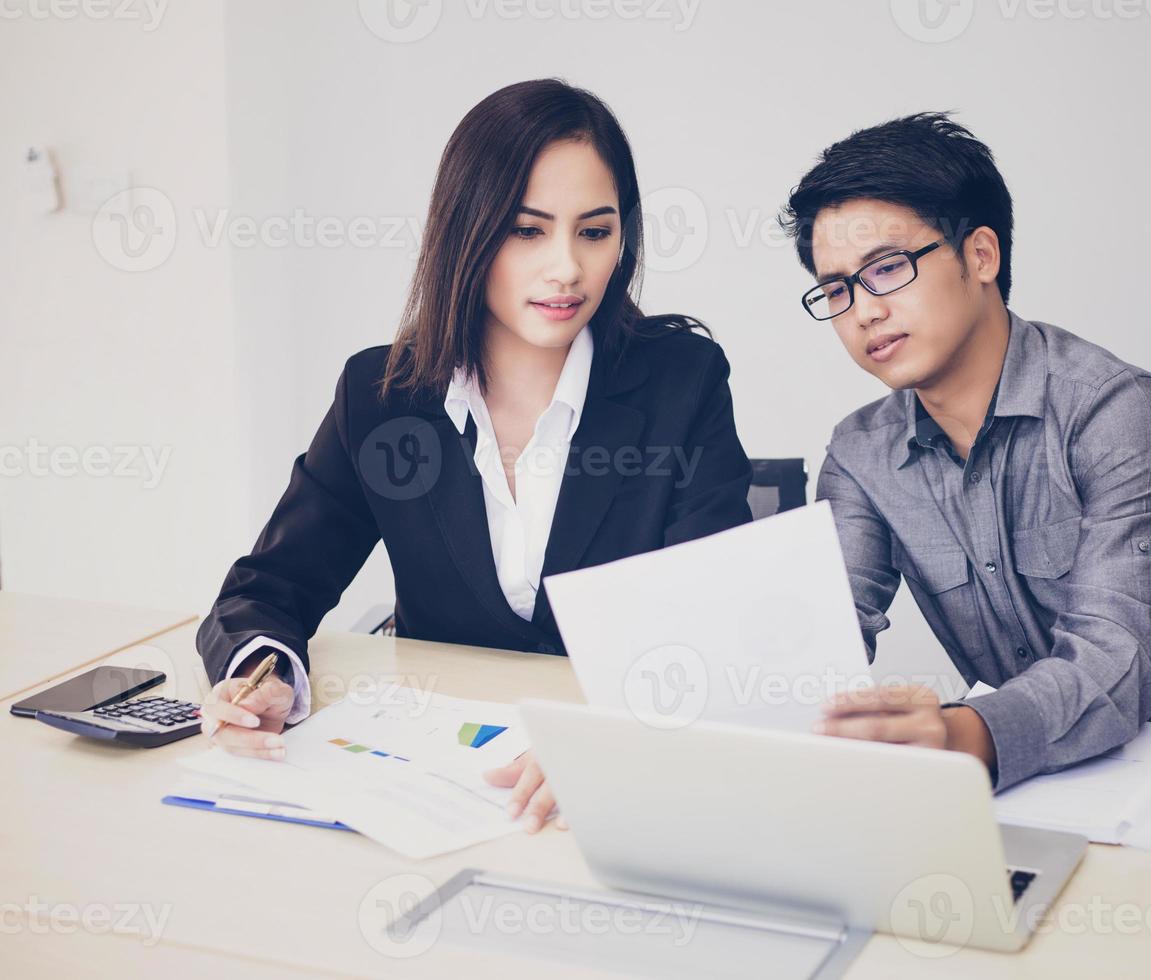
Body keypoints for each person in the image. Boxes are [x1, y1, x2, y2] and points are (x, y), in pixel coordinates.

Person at [196, 79, 753, 830]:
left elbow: (709, 615)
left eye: (594, 232)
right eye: (527, 231)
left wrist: (608, 738)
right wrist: (257, 675)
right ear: (465, 230)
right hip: (443, 786)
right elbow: (271, 586)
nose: (566, 268)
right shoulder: (382, 394)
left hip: (620, 789)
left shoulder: (681, 382)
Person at [782, 113, 1151, 792]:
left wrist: (959, 732)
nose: (861, 310)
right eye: (835, 289)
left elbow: (1118, 661)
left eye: (886, 268)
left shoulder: (1117, 410)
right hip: (1062, 777)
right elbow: (818, 640)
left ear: (980, 255)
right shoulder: (860, 454)